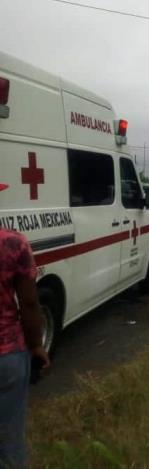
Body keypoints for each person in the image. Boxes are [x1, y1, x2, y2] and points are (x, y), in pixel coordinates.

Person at [0, 199, 50, 468]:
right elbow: (30, 304)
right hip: (7, 357)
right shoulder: (13, 243)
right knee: (9, 439)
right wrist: (36, 347)